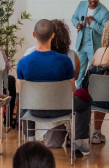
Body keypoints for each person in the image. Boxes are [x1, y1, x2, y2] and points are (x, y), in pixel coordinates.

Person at [23, 20, 89, 153]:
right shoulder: (71, 56)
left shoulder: (29, 54)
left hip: (36, 107)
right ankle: (79, 142)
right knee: (85, 101)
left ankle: (29, 139)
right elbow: (73, 83)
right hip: (63, 107)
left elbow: (24, 86)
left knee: (23, 97)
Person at [71, 0, 109, 88]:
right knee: (79, 71)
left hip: (94, 45)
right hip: (81, 43)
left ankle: (92, 94)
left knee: (94, 71)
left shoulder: (104, 11)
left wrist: (92, 23)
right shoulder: (81, 5)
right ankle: (79, 93)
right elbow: (74, 18)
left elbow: (105, 30)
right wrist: (77, 25)